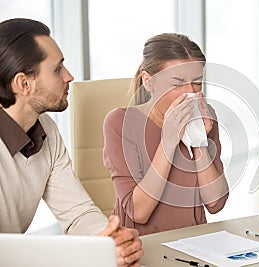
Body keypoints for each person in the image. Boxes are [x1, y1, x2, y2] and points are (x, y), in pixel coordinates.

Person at [0, 18, 143, 266]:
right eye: (57, 69)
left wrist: (110, 242)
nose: (69, 76)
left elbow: (77, 213)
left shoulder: (46, 130)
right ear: (24, 83)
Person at [103, 33, 229, 235]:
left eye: (197, 82)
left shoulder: (206, 117)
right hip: (140, 244)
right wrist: (169, 140)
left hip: (195, 242)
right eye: (177, 83)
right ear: (149, 82)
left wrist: (198, 140)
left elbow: (215, 203)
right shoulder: (120, 122)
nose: (189, 92)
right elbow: (139, 212)